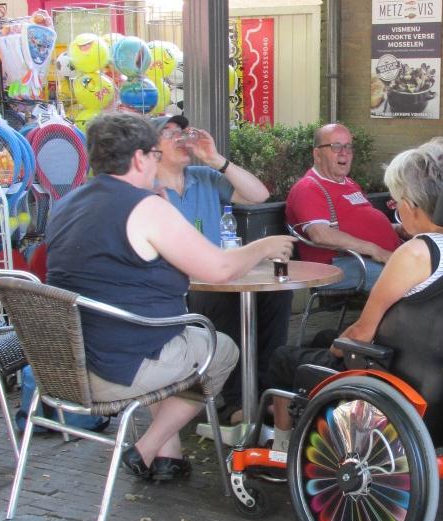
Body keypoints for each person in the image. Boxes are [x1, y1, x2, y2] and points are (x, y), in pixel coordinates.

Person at [45, 113, 294, 482]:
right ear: (140, 158)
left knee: (170, 341)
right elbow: (220, 270)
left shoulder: (67, 204)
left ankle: (170, 455)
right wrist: (265, 245)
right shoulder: (145, 207)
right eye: (153, 153)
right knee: (218, 349)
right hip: (118, 366)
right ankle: (147, 447)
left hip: (65, 362)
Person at [266, 140, 443, 452]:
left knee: (284, 358)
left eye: (395, 202)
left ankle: (281, 445)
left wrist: (337, 348)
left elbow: (361, 333)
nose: (395, 209)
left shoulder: (417, 253)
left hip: (401, 372)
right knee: (322, 338)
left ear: (410, 204)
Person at [152, 114, 292, 425]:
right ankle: (235, 404)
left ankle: (264, 391)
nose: (181, 137)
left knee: (275, 296)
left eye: (183, 131)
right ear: (151, 148)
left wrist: (216, 159)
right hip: (177, 286)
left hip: (220, 272)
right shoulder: (148, 190)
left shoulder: (203, 176)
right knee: (223, 302)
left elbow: (260, 196)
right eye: (169, 132)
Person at [285, 123, 401, 291]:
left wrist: (397, 228)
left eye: (348, 146)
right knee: (405, 279)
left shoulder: (349, 183)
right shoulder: (309, 187)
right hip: (339, 263)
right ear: (317, 154)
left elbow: (359, 224)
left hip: (377, 256)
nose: (344, 152)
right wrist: (376, 251)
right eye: (336, 146)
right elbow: (321, 235)